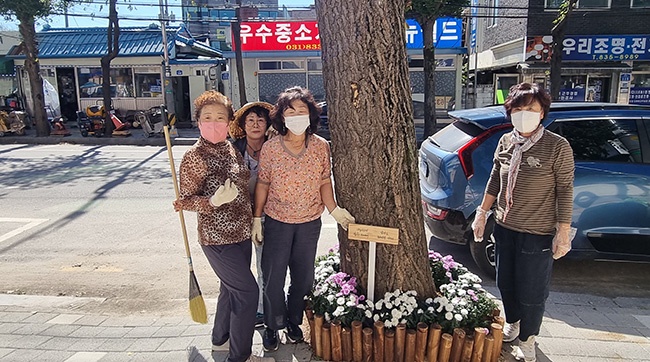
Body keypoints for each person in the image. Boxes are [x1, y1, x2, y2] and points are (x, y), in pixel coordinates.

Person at [472, 82, 574, 362]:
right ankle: (513, 322)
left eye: (531, 108)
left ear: (543, 113)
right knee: (505, 281)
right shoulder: (506, 141)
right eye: (518, 108)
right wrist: (482, 213)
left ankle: (528, 338)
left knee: (532, 290)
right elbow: (495, 178)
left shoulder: (557, 146)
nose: (524, 113)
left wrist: (563, 232)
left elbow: (565, 189)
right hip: (505, 227)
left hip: (537, 231)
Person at [252, 86, 356, 352]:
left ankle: (294, 321)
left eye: (302, 110)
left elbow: (324, 181)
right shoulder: (272, 148)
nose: (297, 115)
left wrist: (333, 209)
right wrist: (257, 218)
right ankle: (273, 326)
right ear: (282, 117)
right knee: (273, 279)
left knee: (304, 279)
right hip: (277, 221)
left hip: (309, 222)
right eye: (290, 111)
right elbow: (263, 183)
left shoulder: (321, 147)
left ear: (310, 114)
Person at [173, 90, 274, 362]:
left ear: (229, 121)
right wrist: (213, 201)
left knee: (229, 291)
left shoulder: (230, 147)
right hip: (217, 240)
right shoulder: (194, 156)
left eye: (220, 117)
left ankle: (220, 342)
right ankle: (239, 357)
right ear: (199, 121)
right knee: (248, 293)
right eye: (208, 117)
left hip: (242, 233)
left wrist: (255, 218)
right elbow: (185, 200)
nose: (214, 122)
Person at [229, 101, 275, 329]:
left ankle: (262, 310)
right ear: (243, 125)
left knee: (264, 266)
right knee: (238, 268)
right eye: (251, 120)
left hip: (267, 216)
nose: (255, 125)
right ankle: (239, 309)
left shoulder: (275, 147)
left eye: (260, 120)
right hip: (237, 218)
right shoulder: (232, 149)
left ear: (267, 125)